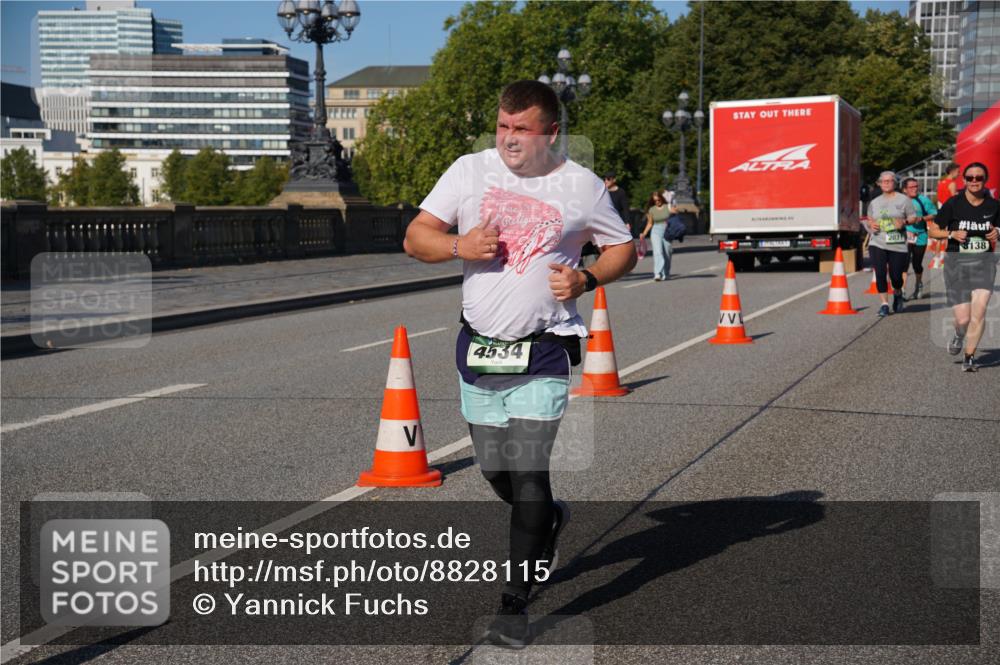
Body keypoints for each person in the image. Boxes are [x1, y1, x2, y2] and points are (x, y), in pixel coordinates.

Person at [403, 80, 636, 646]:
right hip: (479, 347)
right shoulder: (468, 170)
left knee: (529, 473)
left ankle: (513, 604)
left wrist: (586, 277)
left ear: (551, 132)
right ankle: (550, 520)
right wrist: (460, 246)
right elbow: (416, 237)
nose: (508, 139)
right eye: (503, 127)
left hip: (544, 348)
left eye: (522, 130)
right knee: (496, 472)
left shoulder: (580, 186)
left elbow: (622, 248)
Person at [928, 162, 999, 372]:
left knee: (980, 311)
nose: (974, 181)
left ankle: (969, 357)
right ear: (964, 180)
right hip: (956, 265)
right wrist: (951, 234)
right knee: (963, 318)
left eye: (979, 178)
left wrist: (998, 232)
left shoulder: (994, 205)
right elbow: (933, 230)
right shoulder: (953, 204)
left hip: (984, 264)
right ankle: (959, 335)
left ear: (985, 180)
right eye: (970, 178)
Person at [866, 171, 917, 317]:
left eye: (889, 181)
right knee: (880, 273)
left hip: (897, 244)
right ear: (880, 183)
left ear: (895, 183)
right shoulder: (875, 202)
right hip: (878, 242)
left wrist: (904, 222)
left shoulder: (904, 200)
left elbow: (913, 217)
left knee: (896, 276)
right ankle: (884, 304)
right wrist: (872, 224)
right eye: (884, 181)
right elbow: (870, 218)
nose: (887, 183)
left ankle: (898, 293)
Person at [901, 177, 937, 300]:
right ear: (904, 189)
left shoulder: (923, 200)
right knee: (903, 263)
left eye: (916, 186)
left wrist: (923, 218)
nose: (914, 189)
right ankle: (902, 290)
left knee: (917, 264)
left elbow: (933, 213)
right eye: (911, 187)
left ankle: (918, 284)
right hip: (905, 235)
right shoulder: (899, 200)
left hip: (920, 235)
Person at [638, 191, 672, 280]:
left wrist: (673, 205)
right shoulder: (651, 210)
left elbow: (676, 214)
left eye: (659, 200)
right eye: (655, 201)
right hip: (656, 231)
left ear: (662, 198)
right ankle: (657, 273)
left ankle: (666, 273)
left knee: (667, 253)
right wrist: (644, 233)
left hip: (667, 231)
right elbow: (650, 223)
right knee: (658, 252)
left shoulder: (667, 207)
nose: (657, 202)